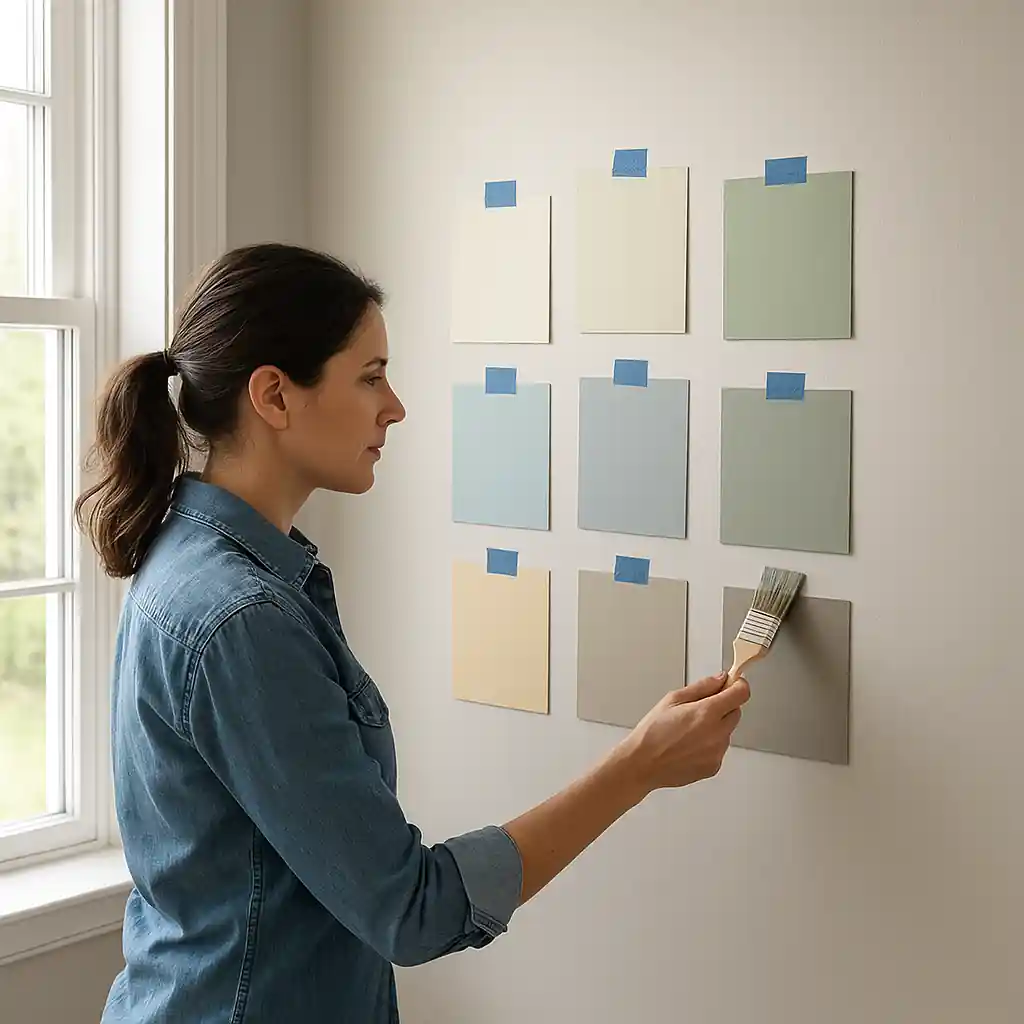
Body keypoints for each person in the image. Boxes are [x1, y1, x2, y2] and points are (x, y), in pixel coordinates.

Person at [77, 242, 751, 1023]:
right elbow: (413, 910)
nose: (394, 407)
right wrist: (638, 767)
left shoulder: (197, 560)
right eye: (370, 377)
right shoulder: (242, 620)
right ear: (274, 396)